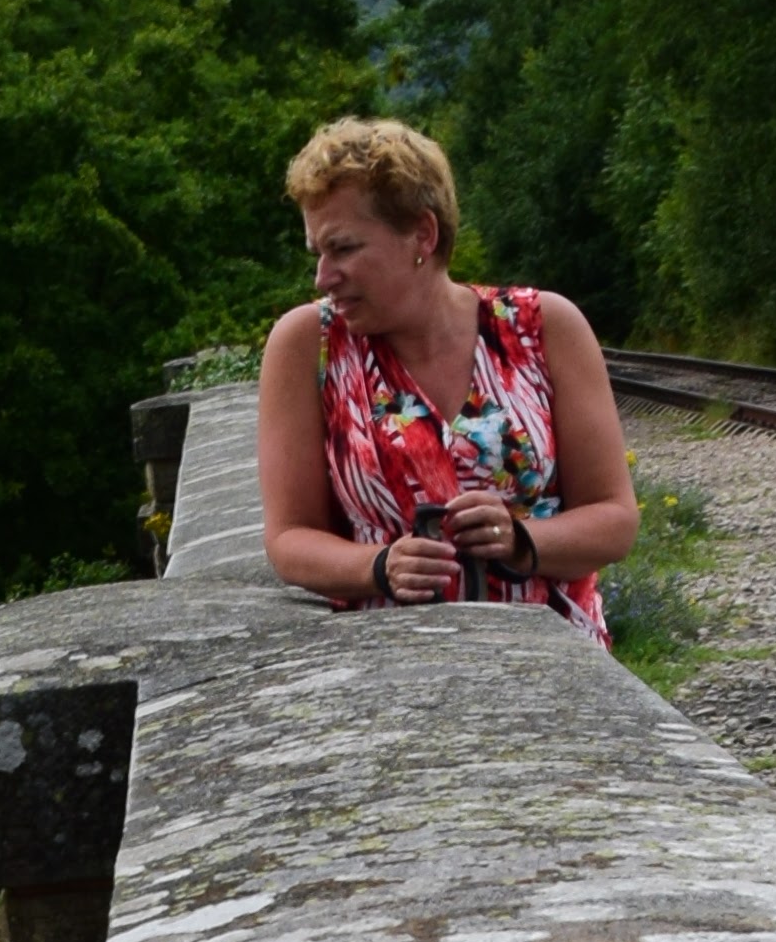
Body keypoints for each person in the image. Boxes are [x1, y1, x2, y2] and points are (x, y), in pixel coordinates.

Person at [254, 117, 638, 631]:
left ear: (423, 234)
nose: (324, 277)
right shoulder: (309, 346)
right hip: (390, 667)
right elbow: (289, 538)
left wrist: (522, 540)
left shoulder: (543, 327)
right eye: (318, 252)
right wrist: (379, 567)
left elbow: (614, 518)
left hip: (551, 666)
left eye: (343, 249)